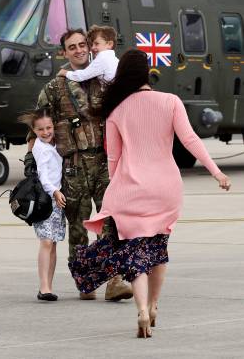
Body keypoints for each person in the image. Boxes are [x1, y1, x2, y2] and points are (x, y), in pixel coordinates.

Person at [68, 49, 231, 338]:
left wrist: (111, 199)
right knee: (158, 252)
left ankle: (142, 310)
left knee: (135, 256)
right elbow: (190, 139)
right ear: (148, 73)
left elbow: (114, 161)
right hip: (166, 190)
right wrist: (216, 172)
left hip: (131, 192)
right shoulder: (170, 101)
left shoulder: (117, 111)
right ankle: (155, 306)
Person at [28, 28, 133, 301]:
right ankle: (85, 281)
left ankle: (114, 280)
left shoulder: (106, 78)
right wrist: (33, 169)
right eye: (72, 47)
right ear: (64, 52)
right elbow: (36, 129)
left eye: (82, 44)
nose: (79, 50)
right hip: (72, 167)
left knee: (110, 221)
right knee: (78, 226)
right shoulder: (53, 88)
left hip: (103, 161)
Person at [21, 108, 66, 301]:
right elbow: (43, 177)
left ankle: (48, 285)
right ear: (34, 130)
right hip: (46, 198)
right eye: (41, 129)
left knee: (53, 243)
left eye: (49, 127)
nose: (46, 132)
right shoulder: (40, 148)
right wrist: (55, 191)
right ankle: (44, 286)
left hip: (57, 199)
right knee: (46, 242)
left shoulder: (55, 145)